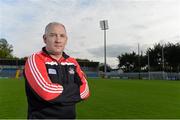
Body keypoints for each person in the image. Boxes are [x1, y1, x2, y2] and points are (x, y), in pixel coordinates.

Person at [24, 22, 90, 119]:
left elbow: (86, 92)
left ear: (66, 40)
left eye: (62, 36)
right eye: (53, 35)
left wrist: (57, 91)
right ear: (45, 39)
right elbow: (46, 92)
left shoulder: (73, 62)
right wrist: (75, 89)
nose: (58, 40)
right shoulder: (35, 59)